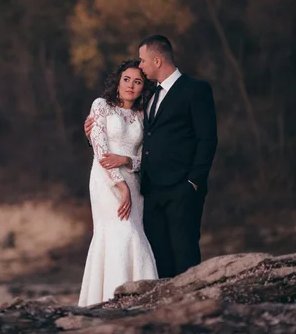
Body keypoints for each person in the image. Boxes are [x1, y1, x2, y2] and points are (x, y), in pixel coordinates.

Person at [84, 34, 217, 279]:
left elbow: (207, 139)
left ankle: (190, 310)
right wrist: (91, 135)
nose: (141, 68)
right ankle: (159, 309)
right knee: (158, 256)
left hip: (181, 187)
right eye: (129, 77)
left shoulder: (195, 90)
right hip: (150, 189)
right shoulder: (151, 98)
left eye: (143, 62)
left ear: (157, 60)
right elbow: (142, 143)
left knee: (184, 252)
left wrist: (194, 181)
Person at [78, 59, 158, 307]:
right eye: (127, 79)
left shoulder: (144, 116)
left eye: (137, 82)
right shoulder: (101, 106)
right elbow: (100, 147)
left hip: (134, 183)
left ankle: (142, 301)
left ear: (143, 87)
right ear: (118, 81)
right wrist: (119, 185)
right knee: (118, 233)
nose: (131, 86)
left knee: (134, 233)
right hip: (104, 181)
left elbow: (146, 159)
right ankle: (109, 300)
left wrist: (127, 162)